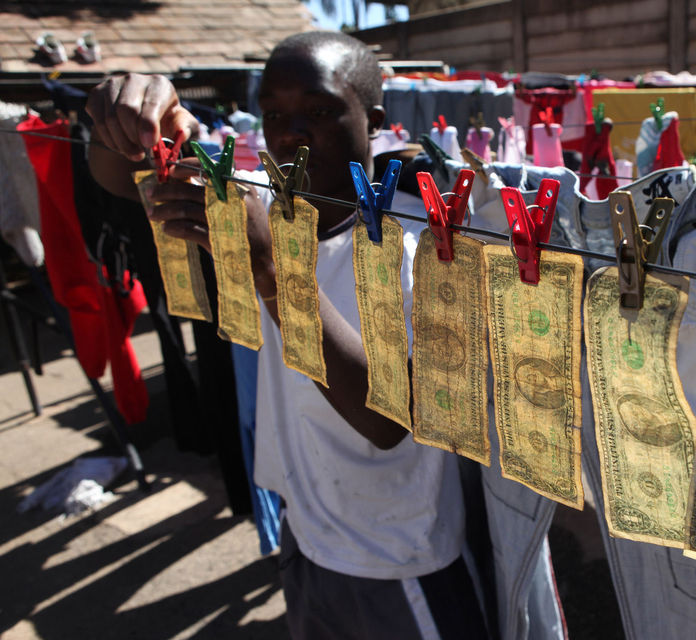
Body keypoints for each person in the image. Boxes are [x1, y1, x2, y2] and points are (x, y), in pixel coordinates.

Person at [87, 31, 489, 639]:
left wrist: (274, 272)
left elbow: (392, 421)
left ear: (373, 120)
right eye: (273, 115)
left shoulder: (422, 244)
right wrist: (123, 121)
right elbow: (120, 177)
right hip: (305, 538)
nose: (290, 134)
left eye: (319, 112)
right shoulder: (263, 206)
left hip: (402, 555)